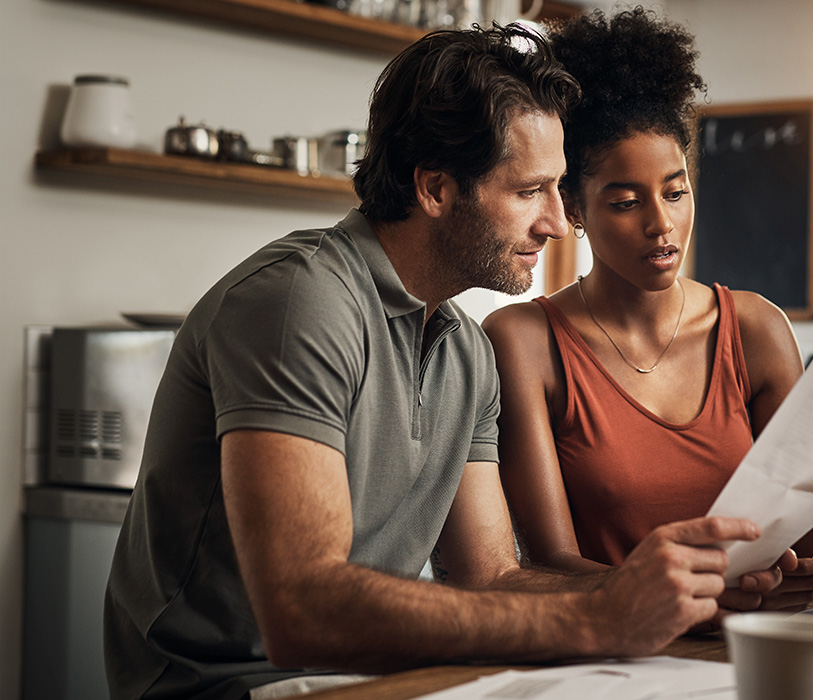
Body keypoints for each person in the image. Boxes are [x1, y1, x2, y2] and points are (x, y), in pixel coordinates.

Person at [103, 24, 775, 700]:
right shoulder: (299, 301)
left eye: (559, 189)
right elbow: (302, 610)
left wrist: (679, 591)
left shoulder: (463, 347)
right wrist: (599, 616)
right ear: (434, 188)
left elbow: (491, 576)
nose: (553, 221)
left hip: (373, 680)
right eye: (527, 191)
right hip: (225, 685)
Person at [482, 7, 813, 616]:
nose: (662, 225)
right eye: (625, 202)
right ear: (572, 206)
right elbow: (550, 566)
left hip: (757, 649)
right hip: (617, 656)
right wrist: (707, 599)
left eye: (677, 192)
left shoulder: (754, 329)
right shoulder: (524, 341)